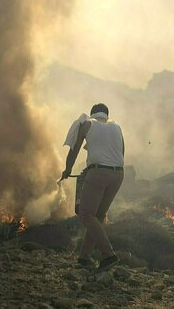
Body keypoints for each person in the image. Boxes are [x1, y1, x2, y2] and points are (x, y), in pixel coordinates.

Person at [61, 103, 125, 272]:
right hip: (118, 174)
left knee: (86, 214)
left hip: (99, 173)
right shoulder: (117, 127)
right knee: (98, 216)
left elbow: (74, 150)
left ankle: (108, 254)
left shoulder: (88, 124)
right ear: (106, 115)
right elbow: (120, 153)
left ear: (92, 114)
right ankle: (84, 257)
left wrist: (67, 169)